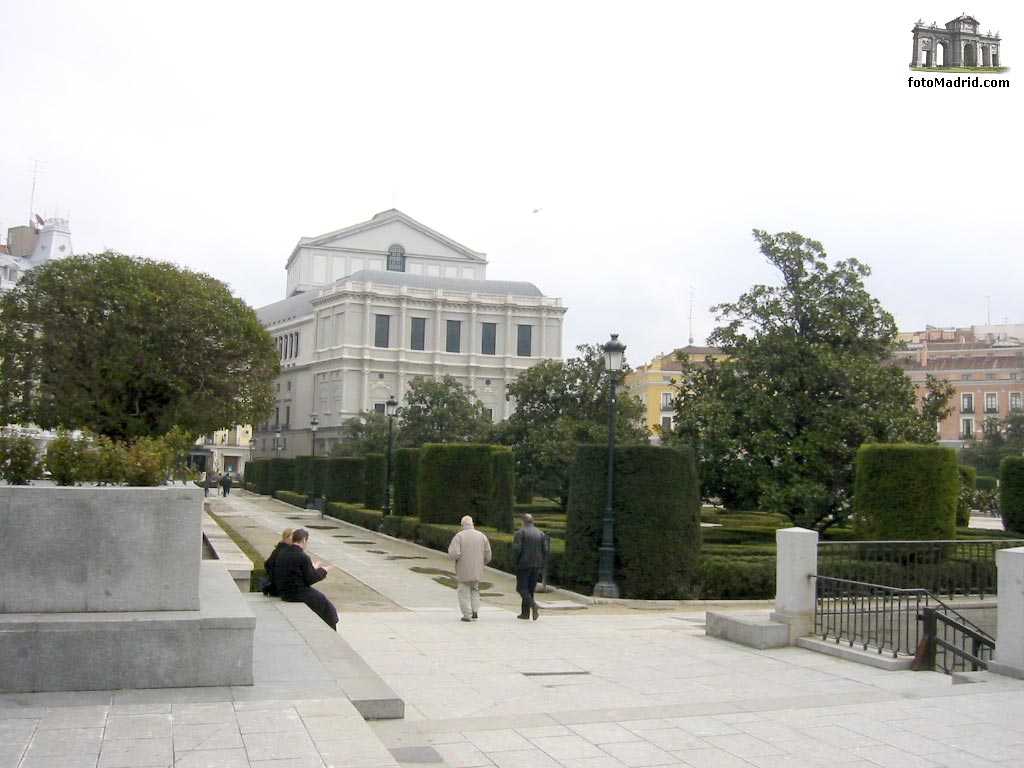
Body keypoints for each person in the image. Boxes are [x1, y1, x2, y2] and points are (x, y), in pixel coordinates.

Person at [273, 528, 339, 630]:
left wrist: (312, 568)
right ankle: (330, 630)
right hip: (295, 592)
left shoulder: (283, 553)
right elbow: (310, 578)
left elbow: (296, 572)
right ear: (304, 540)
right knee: (324, 604)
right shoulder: (302, 557)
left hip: (283, 590)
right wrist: (323, 571)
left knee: (320, 599)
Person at [447, 515, 492, 622]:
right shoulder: (482, 536)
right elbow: (488, 555)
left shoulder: (459, 536)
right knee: (475, 589)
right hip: (477, 569)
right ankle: (475, 610)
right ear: (473, 524)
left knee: (463, 591)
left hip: (463, 568)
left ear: (462, 525)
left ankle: (467, 614)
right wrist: (482, 563)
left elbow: (454, 554)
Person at [512, 513, 548, 620]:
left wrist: (515, 561)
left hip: (523, 564)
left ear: (523, 522)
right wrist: (540, 561)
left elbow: (517, 549)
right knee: (530, 589)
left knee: (521, 588)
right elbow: (545, 550)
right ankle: (525, 613)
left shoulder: (520, 532)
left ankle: (533, 605)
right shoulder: (541, 533)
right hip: (537, 564)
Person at [261, 527, 295, 597]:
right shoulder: (286, 551)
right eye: (295, 536)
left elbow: (267, 564)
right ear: (289, 537)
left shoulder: (279, 549)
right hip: (278, 588)